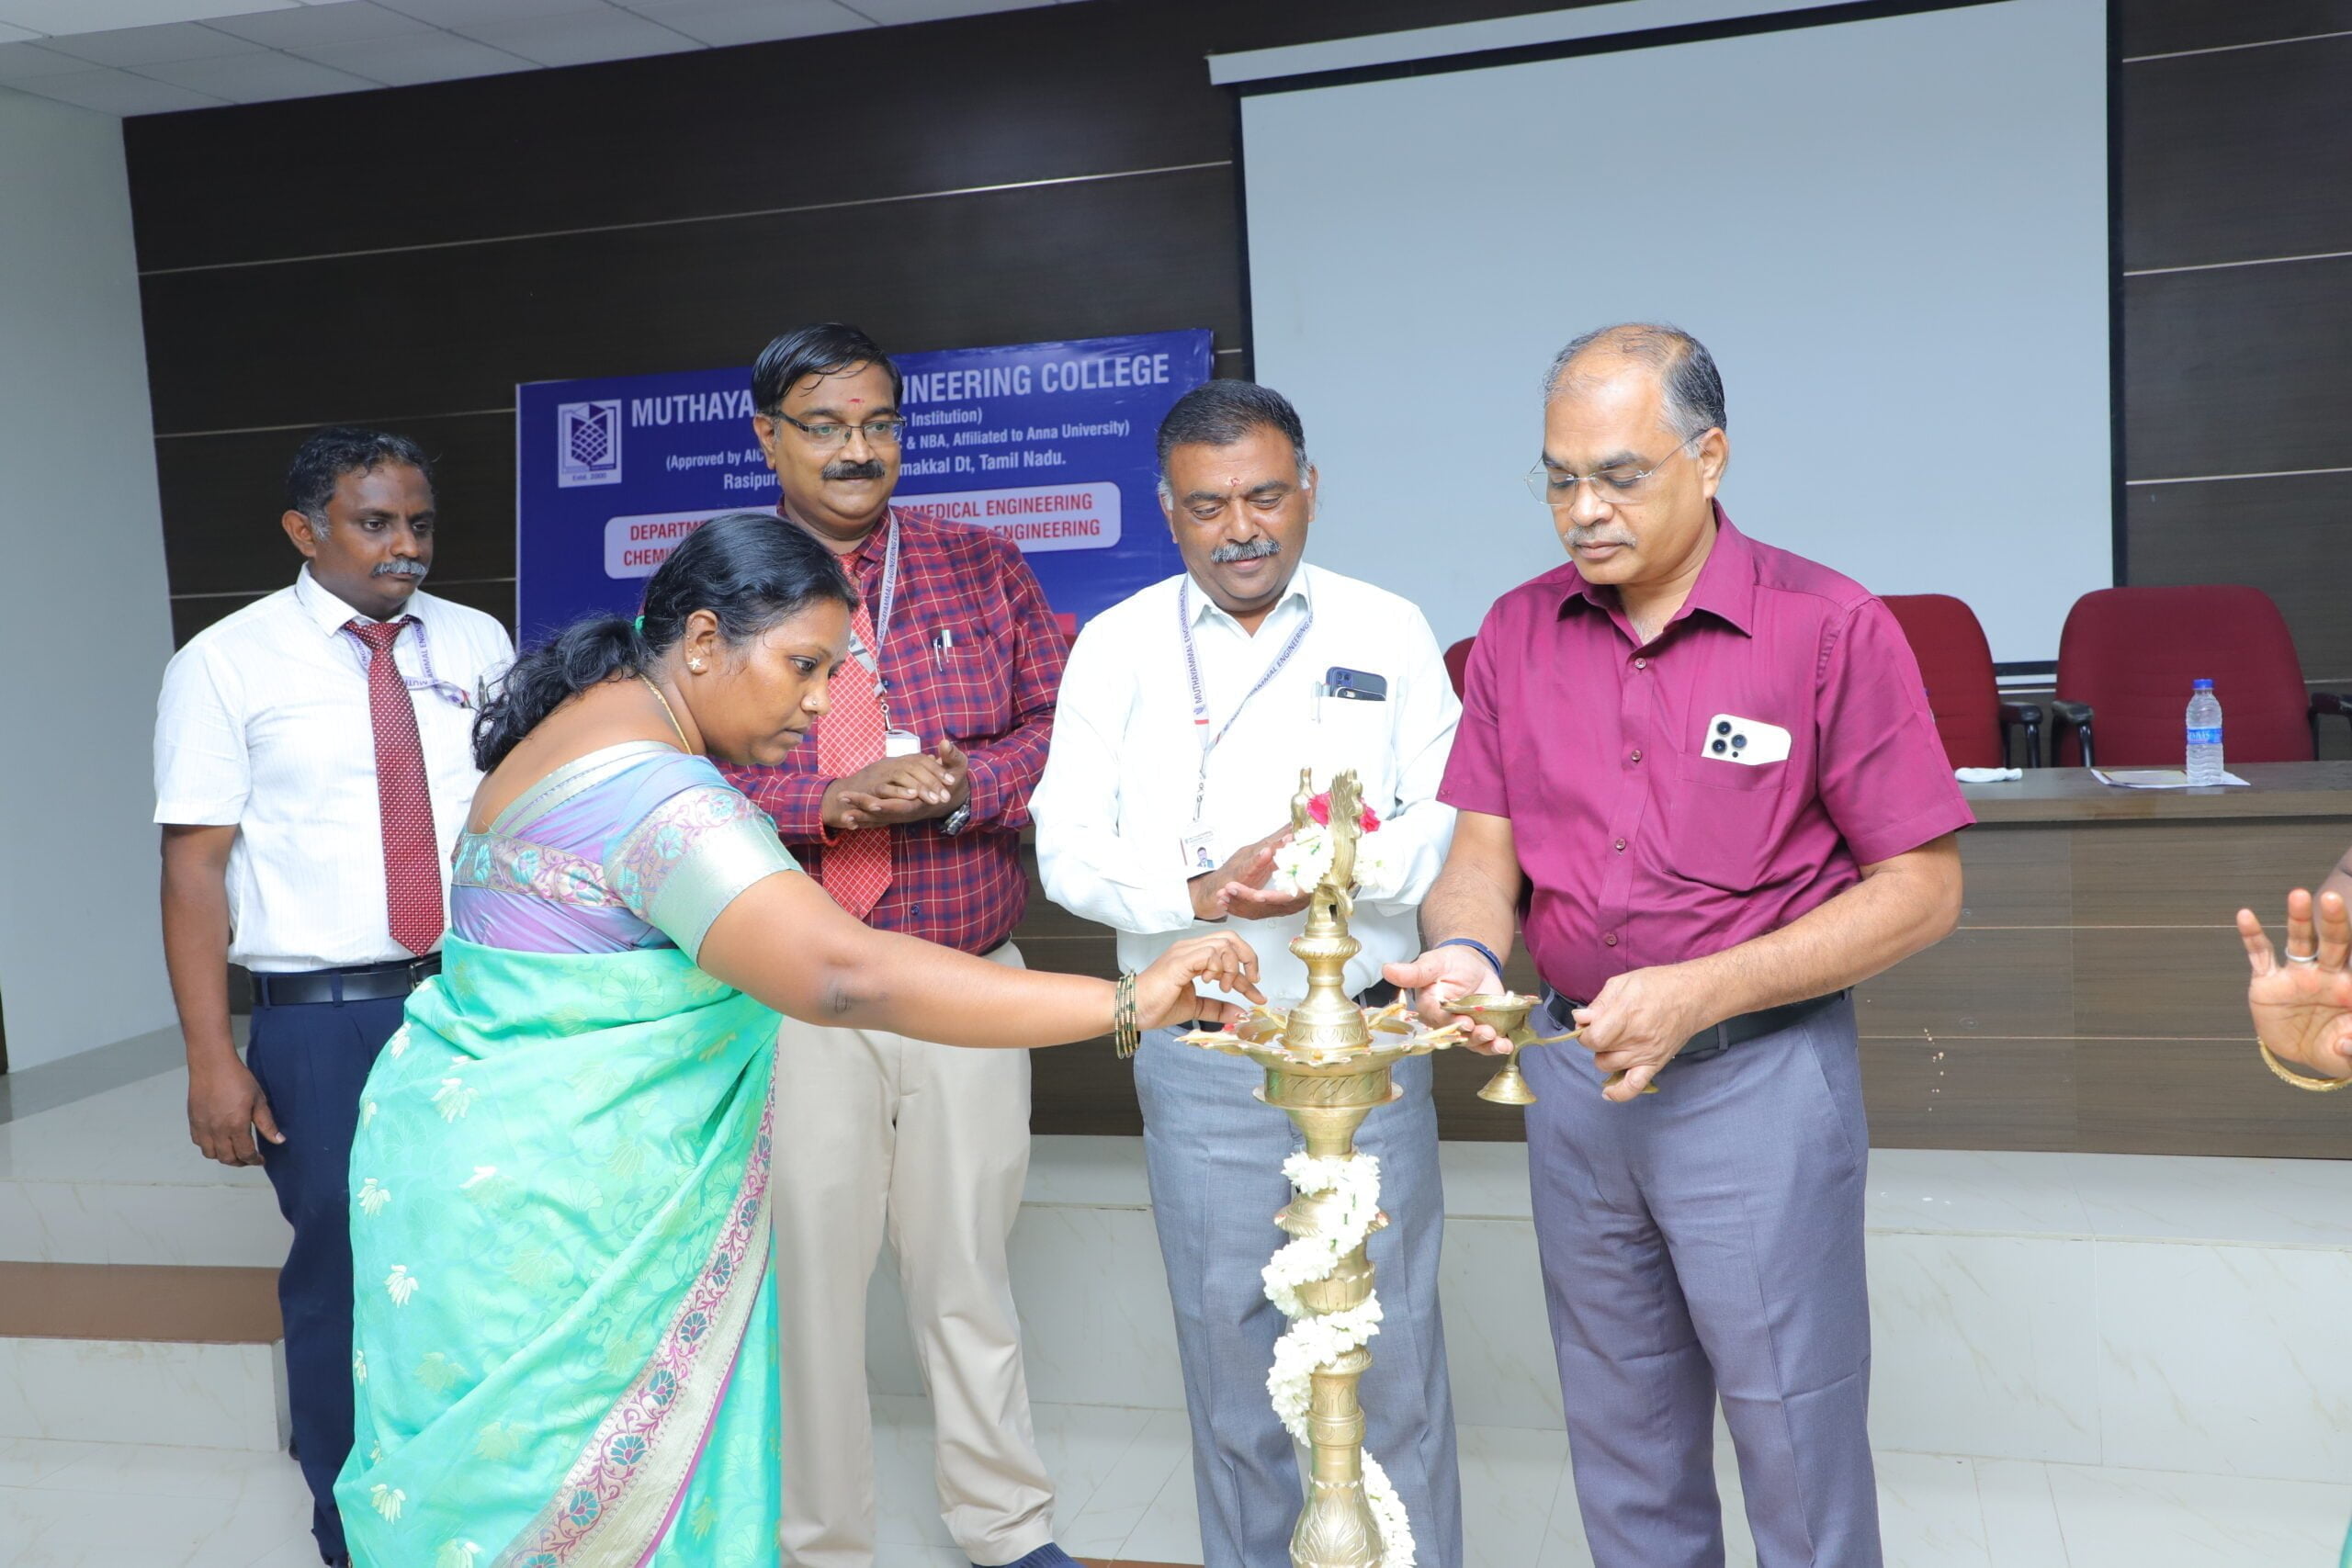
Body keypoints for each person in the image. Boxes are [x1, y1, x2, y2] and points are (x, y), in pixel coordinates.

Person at [331, 513, 1260, 1566]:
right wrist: (1131, 1001)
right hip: (560, 1217)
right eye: (803, 665)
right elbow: (841, 974)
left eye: (833, 669)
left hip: (469, 1175)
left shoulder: (585, 723)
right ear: (702, 640)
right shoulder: (656, 792)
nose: (822, 701)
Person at [1387, 324, 1971, 1568]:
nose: (1582, 511)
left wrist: (1702, 990)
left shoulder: (1827, 626)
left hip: (1756, 1083)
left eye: (1618, 475)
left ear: (1709, 458)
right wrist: (1470, 957)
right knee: (1623, 1445)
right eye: (1557, 479)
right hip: (1573, 1080)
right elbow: (1482, 858)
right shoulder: (1517, 630)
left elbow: (1922, 890)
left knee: (1795, 1444)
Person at [1031, 380, 1465, 1568]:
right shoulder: (1118, 643)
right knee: (1234, 1369)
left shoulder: (1387, 627)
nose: (1241, 529)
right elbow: (1065, 848)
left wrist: (1336, 863)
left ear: (1309, 489)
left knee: (1391, 1352)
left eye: (1266, 496)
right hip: (1205, 1051)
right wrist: (1204, 888)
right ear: (1167, 510)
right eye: (1208, 506)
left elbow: (1449, 818)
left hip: (1368, 1048)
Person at [726, 323, 1077, 1568]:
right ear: (768, 436)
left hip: (963, 982)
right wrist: (825, 802)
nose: (856, 449)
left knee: (968, 1271)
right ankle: (823, 1542)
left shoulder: (982, 565)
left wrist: (967, 785)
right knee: (809, 1290)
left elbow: (1062, 728)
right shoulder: (719, 582)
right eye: (824, 426)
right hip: (795, 995)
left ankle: (1006, 1528)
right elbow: (673, 766)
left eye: (877, 423)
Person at [153, 427, 512, 1568]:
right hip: (323, 1017)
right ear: (304, 532)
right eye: (375, 523)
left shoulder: (476, 640)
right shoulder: (225, 662)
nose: (406, 546)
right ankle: (353, 1525)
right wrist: (212, 1058)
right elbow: (193, 871)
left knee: (480, 1255)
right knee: (346, 1273)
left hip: (472, 1001)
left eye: (419, 523)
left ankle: (479, 1499)